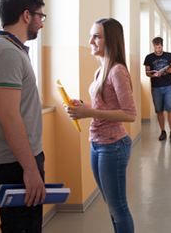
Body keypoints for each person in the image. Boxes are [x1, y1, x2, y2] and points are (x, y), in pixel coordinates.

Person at [0, 0, 47, 232]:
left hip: (19, 160)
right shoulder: (6, 53)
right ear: (27, 15)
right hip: (14, 164)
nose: (41, 23)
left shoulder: (13, 50)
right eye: (41, 16)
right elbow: (8, 115)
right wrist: (29, 168)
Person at [65, 18, 136, 233]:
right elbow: (105, 106)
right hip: (97, 144)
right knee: (111, 206)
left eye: (97, 36)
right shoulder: (101, 70)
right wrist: (84, 106)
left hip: (113, 145)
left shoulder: (117, 71)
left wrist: (90, 112)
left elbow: (130, 114)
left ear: (110, 40)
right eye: (91, 35)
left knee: (118, 208)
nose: (91, 41)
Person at [144, 37, 171, 141]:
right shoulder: (149, 57)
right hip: (156, 87)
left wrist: (170, 70)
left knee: (170, 109)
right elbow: (147, 73)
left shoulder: (168, 55)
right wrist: (155, 75)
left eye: (159, 47)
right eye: (155, 47)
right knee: (159, 111)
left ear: (162, 46)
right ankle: (163, 131)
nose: (157, 49)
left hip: (169, 86)